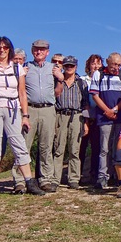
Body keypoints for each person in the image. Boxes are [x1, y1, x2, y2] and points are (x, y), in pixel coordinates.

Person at [0, 36, 45, 199]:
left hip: (13, 109)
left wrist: (25, 116)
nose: (2, 50)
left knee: (19, 144)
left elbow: (22, 93)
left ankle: (29, 182)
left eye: (5, 47)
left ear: (9, 49)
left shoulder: (17, 68)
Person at [24, 39, 64, 192]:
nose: (39, 52)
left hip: (48, 109)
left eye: (42, 49)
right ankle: (21, 180)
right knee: (24, 145)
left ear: (47, 52)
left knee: (46, 145)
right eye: (36, 49)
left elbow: (58, 92)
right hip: (30, 109)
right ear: (32, 50)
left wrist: (60, 79)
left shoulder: (53, 68)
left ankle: (45, 179)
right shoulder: (25, 67)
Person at [90, 53, 121, 190]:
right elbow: (95, 95)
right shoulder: (98, 74)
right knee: (104, 148)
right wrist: (107, 110)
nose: (116, 67)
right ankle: (102, 176)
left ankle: (116, 175)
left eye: (119, 65)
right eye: (114, 64)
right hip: (103, 116)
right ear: (107, 62)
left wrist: (115, 110)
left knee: (118, 147)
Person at [52, 56, 88, 189]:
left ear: (76, 67)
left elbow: (85, 104)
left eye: (71, 66)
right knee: (58, 148)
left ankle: (73, 178)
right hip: (60, 115)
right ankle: (55, 179)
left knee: (75, 149)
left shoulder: (81, 83)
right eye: (66, 66)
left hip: (77, 116)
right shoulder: (57, 80)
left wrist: (86, 123)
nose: (69, 68)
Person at [79, 54, 103, 185]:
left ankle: (94, 174)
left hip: (99, 117)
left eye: (98, 63)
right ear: (89, 65)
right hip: (85, 117)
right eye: (93, 63)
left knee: (97, 148)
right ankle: (80, 174)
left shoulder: (103, 79)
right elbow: (83, 100)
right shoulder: (83, 80)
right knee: (82, 148)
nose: (96, 66)